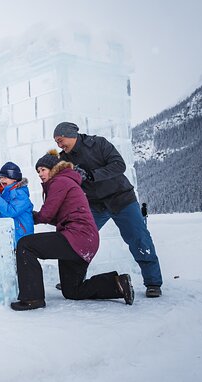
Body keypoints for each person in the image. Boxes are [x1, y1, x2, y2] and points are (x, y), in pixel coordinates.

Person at [11, 150, 135, 311]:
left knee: (25, 245)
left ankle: (32, 298)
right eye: (38, 171)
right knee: (73, 291)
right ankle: (117, 284)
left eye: (43, 169)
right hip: (84, 240)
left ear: (53, 168)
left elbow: (46, 215)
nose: (40, 174)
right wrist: (34, 216)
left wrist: (27, 217)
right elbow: (56, 217)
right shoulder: (66, 181)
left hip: (77, 237)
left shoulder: (60, 182)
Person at [53, 122, 163, 298]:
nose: (59, 145)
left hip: (121, 199)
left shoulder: (99, 144)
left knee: (138, 238)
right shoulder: (63, 159)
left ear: (71, 134)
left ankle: (153, 282)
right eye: (57, 142)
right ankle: (71, 280)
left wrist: (90, 175)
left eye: (61, 140)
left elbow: (119, 165)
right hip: (95, 205)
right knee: (76, 239)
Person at [0, 162, 34, 247]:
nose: (2, 180)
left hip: (23, 237)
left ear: (14, 179)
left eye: (5, 177)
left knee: (25, 260)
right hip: (10, 237)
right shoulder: (1, 193)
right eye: (1, 177)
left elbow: (11, 211)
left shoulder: (20, 194)